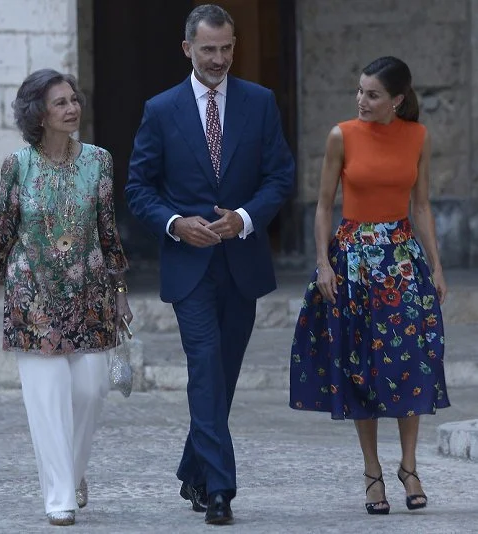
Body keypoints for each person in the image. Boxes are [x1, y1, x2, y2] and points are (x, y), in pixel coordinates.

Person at [125, 4, 294, 525]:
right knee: (205, 367)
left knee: (224, 374)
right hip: (188, 265)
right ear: (187, 49)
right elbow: (138, 187)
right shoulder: (161, 109)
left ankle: (192, 470)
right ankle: (220, 489)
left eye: (226, 48)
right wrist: (176, 224)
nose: (219, 59)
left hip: (241, 262)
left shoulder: (260, 102)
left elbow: (280, 177)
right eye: (208, 50)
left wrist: (244, 217)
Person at [0, 69, 132, 526]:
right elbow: (0, 233)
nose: (72, 108)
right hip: (32, 299)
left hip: (89, 295)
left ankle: (72, 473)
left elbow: (106, 230)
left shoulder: (98, 161)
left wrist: (120, 292)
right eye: (60, 102)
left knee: (91, 388)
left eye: (73, 99)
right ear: (38, 114)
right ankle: (59, 495)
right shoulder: (17, 165)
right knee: (48, 399)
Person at [289, 56, 450, 515]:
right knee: (360, 365)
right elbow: (323, 207)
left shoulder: (418, 136)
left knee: (412, 361)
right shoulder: (342, 135)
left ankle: (410, 466)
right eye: (359, 91)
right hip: (353, 262)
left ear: (397, 100)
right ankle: (372, 472)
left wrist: (436, 266)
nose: (362, 100)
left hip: (402, 260)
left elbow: (421, 205)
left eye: (373, 94)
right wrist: (323, 264)